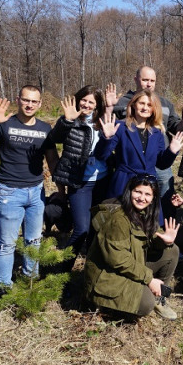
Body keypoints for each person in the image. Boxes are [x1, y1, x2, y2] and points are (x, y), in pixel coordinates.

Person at [0, 86, 60, 291]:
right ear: (18, 100)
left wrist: (61, 190)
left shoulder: (45, 129)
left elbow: (53, 161)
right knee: (6, 244)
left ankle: (29, 283)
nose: (29, 105)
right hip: (9, 192)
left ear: (40, 104)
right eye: (26, 100)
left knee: (33, 242)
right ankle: (4, 288)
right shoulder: (5, 124)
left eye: (34, 101)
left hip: (36, 193)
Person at [83, 176, 180, 320]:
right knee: (146, 304)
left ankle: (158, 296)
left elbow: (152, 239)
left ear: (153, 198)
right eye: (138, 192)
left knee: (171, 251)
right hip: (107, 275)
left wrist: (165, 241)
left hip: (127, 267)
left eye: (147, 194)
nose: (142, 198)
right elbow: (118, 260)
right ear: (130, 192)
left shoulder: (144, 213)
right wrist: (149, 279)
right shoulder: (118, 219)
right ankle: (106, 307)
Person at [111, 66, 182, 218]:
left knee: (150, 217)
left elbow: (162, 162)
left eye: (152, 80)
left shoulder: (157, 130)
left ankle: (165, 226)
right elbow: (104, 150)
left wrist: (172, 150)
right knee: (122, 219)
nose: (149, 84)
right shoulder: (121, 119)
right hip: (125, 179)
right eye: (145, 80)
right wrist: (107, 108)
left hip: (150, 178)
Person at [49, 85, 111, 254]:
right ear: (78, 100)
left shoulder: (102, 121)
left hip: (102, 180)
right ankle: (65, 266)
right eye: (84, 100)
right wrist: (67, 121)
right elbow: (55, 138)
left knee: (96, 226)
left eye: (91, 102)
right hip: (80, 181)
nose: (86, 105)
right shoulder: (71, 119)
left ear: (97, 105)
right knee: (81, 229)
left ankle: (90, 263)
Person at [95, 90, 183, 201]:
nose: (145, 108)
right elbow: (101, 155)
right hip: (123, 185)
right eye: (141, 103)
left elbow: (161, 164)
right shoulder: (120, 127)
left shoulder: (157, 132)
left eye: (149, 105)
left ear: (154, 109)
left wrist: (171, 151)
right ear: (133, 105)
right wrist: (107, 138)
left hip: (147, 188)